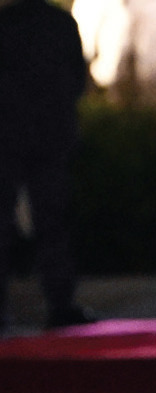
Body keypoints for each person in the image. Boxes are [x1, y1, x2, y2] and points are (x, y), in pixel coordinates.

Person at [0, 0, 93, 333]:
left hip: (10, 134)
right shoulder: (60, 24)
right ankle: (60, 304)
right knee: (52, 222)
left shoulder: (7, 23)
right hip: (48, 134)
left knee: (9, 221)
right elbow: (78, 79)